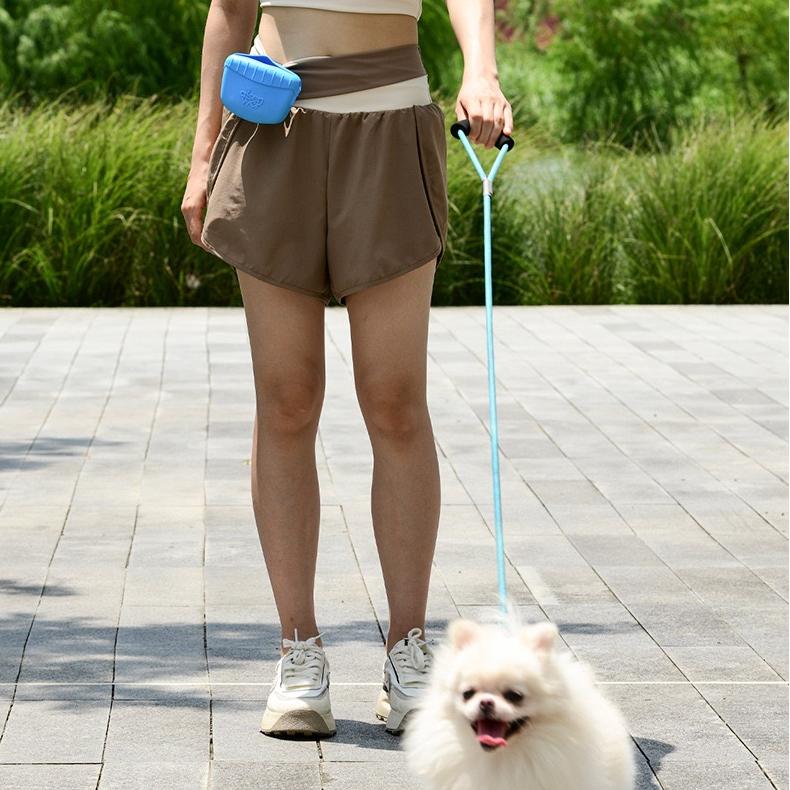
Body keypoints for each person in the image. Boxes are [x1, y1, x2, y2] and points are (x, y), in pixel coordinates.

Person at [181, 0, 513, 739]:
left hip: (392, 124)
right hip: (273, 128)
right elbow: (231, 8)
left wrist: (481, 67)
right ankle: (299, 652)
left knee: (396, 402)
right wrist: (203, 158)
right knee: (287, 399)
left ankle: (409, 651)